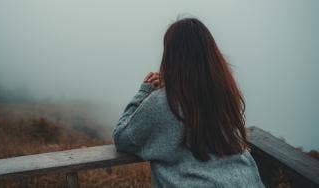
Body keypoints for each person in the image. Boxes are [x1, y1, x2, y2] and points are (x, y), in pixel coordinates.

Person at [112, 18, 265, 188]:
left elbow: (123, 138)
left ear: (171, 56)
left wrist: (144, 91)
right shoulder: (223, 93)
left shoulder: (163, 102)